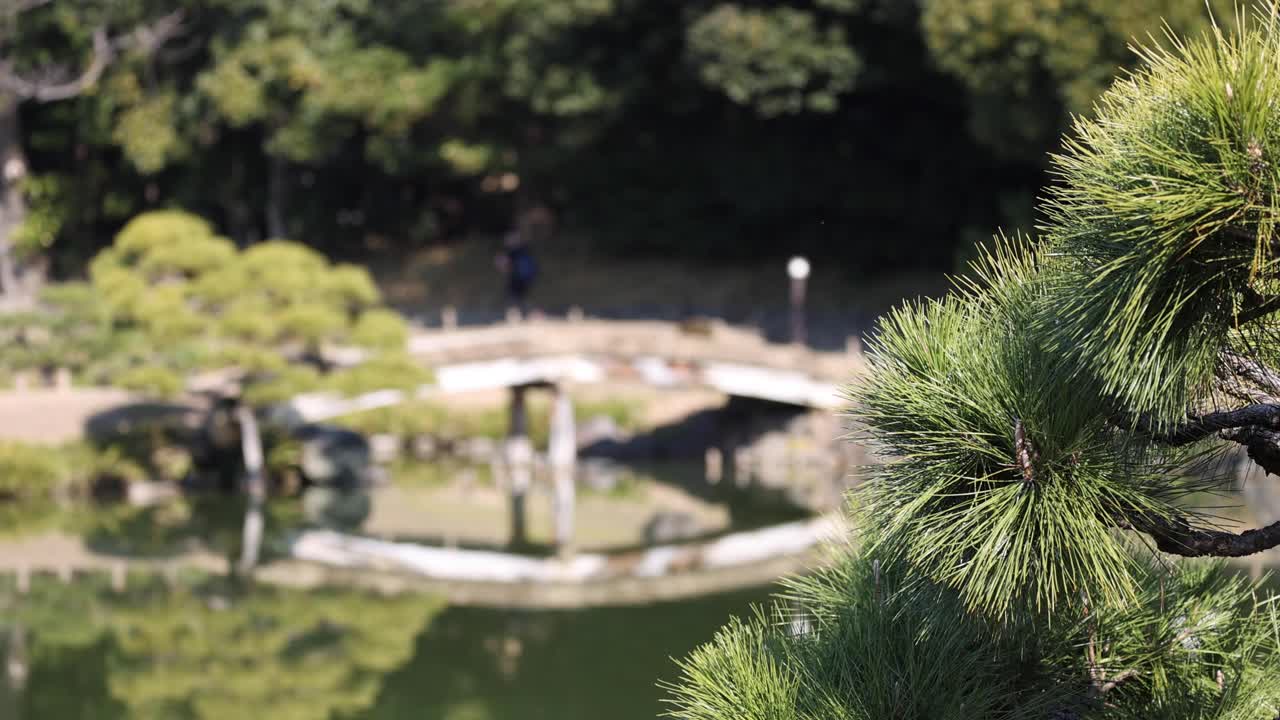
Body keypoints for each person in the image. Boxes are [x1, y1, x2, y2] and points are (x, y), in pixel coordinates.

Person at [496, 229, 537, 318]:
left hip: (518, 277)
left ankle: (518, 314)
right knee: (519, 296)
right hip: (524, 278)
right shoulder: (524, 249)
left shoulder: (514, 251)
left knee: (514, 296)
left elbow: (503, 264)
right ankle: (525, 313)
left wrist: (503, 266)